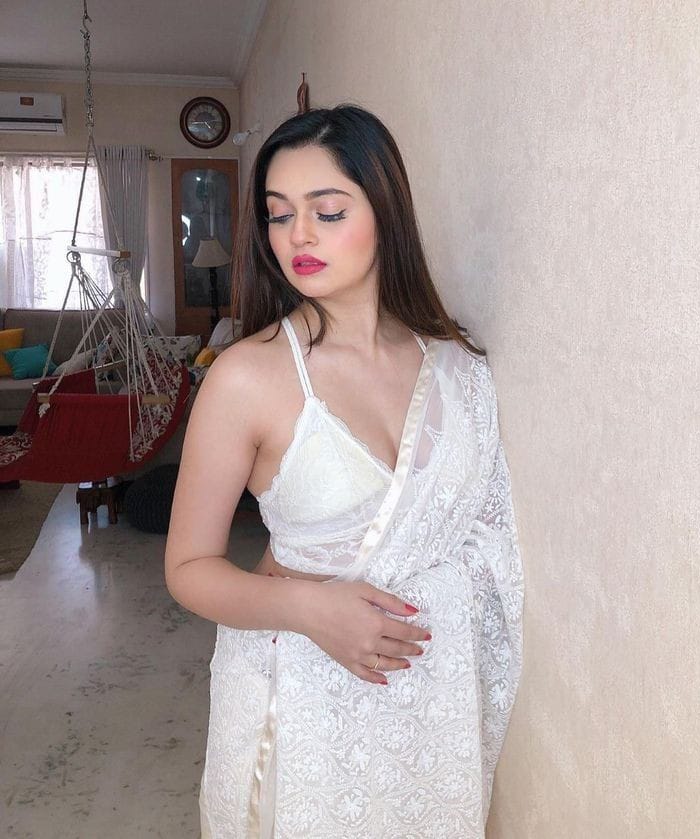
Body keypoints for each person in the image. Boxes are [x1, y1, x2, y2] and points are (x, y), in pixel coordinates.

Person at [164, 104, 524, 839]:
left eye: (327, 212)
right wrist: (311, 608)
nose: (297, 235)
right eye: (278, 214)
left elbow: (485, 532)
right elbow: (188, 568)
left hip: (429, 708)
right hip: (296, 703)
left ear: (385, 214)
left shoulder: (457, 366)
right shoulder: (247, 376)